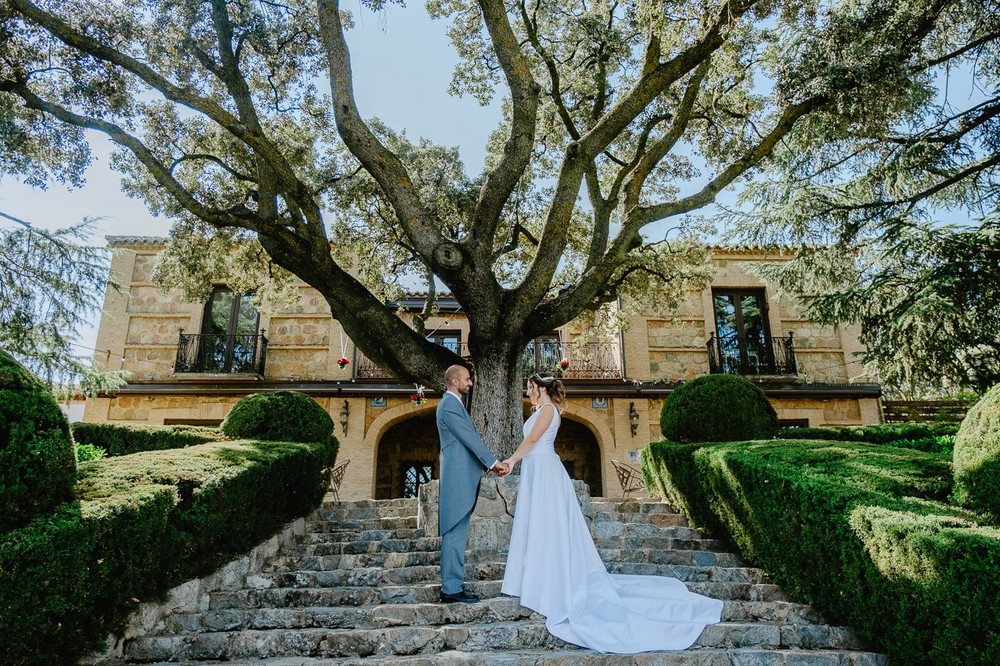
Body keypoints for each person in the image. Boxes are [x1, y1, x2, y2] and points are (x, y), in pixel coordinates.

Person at [500, 374, 724, 652]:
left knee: (550, 525)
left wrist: (511, 460)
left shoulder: (548, 410)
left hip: (544, 470)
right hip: (537, 470)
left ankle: (552, 583)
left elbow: (534, 439)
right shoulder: (540, 410)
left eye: (531, 387)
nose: (528, 391)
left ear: (543, 389)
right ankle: (541, 579)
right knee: (541, 527)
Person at [436, 364, 510, 604]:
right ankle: (450, 589)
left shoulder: (455, 404)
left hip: (462, 475)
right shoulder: (448, 404)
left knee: (457, 534)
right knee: (454, 533)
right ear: (455, 381)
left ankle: (453, 585)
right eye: (467, 379)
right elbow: (469, 438)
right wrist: (493, 462)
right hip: (456, 477)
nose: (470, 383)